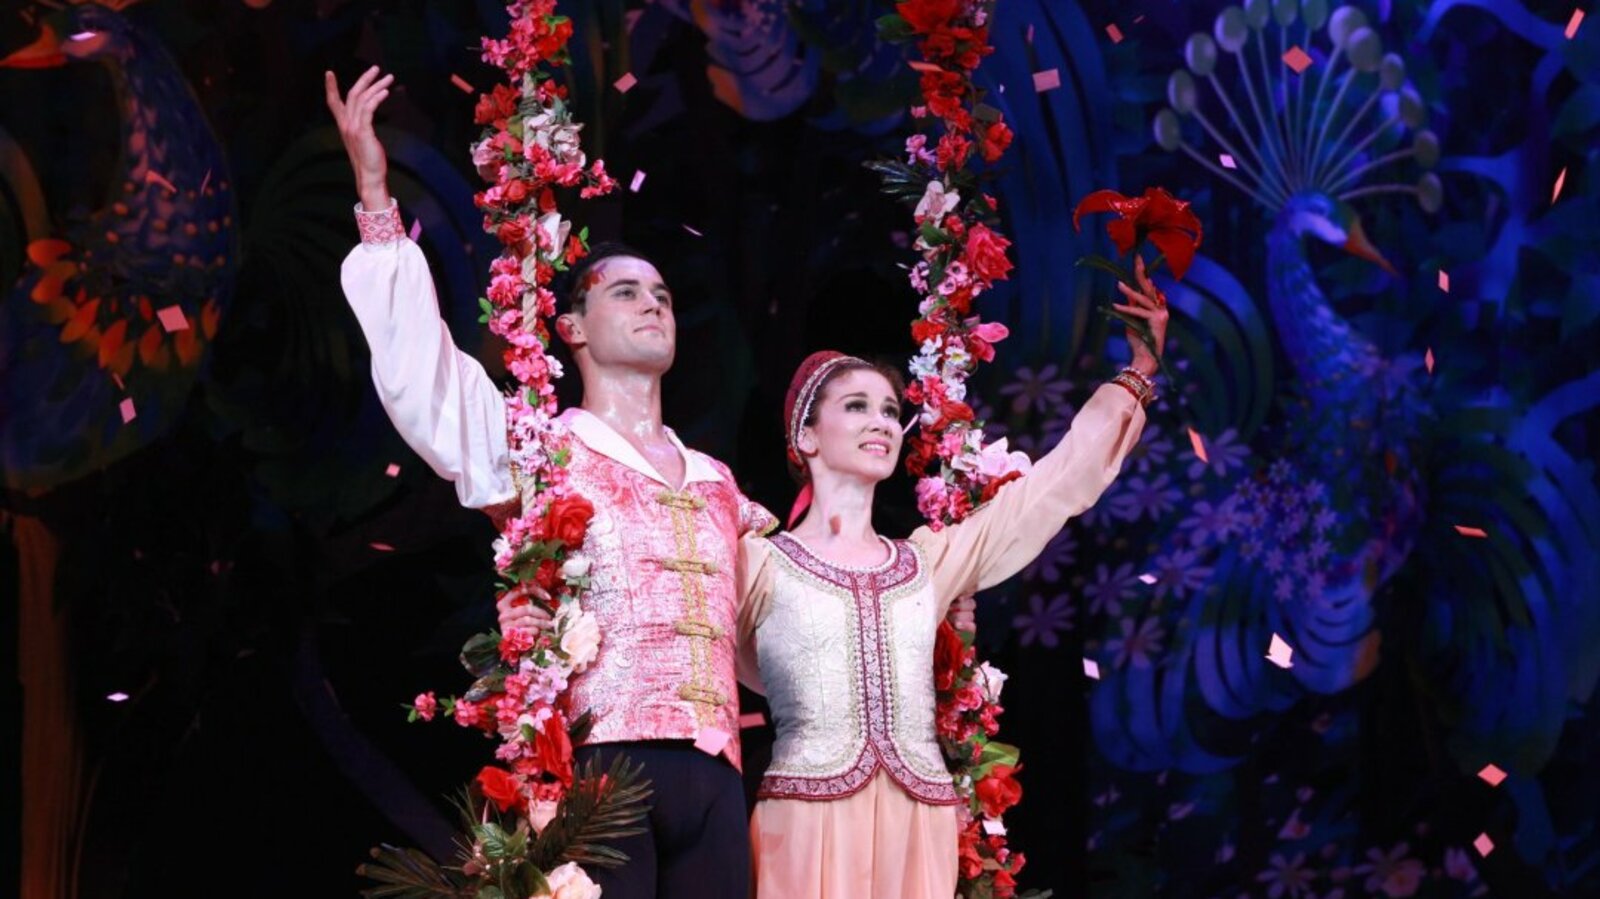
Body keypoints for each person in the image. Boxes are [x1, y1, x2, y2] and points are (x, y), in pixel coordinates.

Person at [327, 67, 775, 899]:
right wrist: (375, 193)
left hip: (718, 772)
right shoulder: (541, 446)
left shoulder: (719, 483)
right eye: (626, 292)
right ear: (571, 327)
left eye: (663, 294)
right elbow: (424, 373)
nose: (654, 304)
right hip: (603, 768)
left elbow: (785, 626)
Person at [737, 265, 1168, 898]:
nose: (882, 422)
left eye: (891, 410)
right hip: (803, 827)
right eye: (856, 407)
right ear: (805, 435)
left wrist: (1137, 375)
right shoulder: (759, 561)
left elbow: (1049, 490)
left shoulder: (924, 563)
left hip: (920, 824)